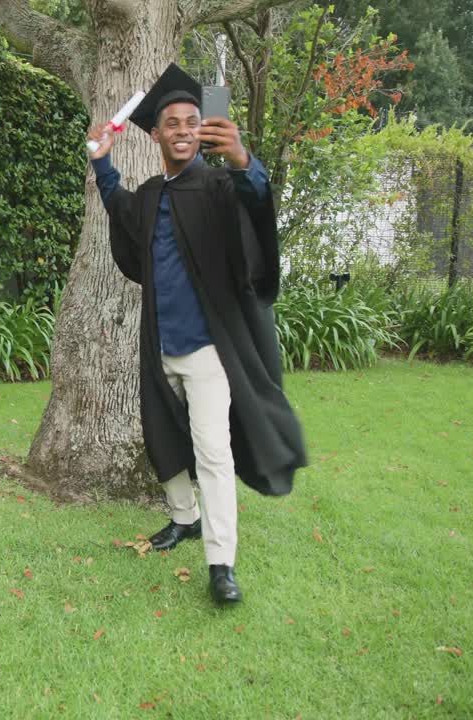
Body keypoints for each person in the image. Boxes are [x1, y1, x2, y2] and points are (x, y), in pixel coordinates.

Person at [86, 63, 306, 605]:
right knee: (161, 435)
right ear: (156, 134)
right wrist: (103, 164)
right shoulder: (153, 192)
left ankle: (221, 563)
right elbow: (120, 211)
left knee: (212, 452)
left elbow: (255, 205)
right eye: (172, 123)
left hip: (208, 351)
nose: (182, 129)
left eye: (191, 121)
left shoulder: (218, 188)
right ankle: (183, 518)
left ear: (201, 130)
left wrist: (244, 164)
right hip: (158, 343)